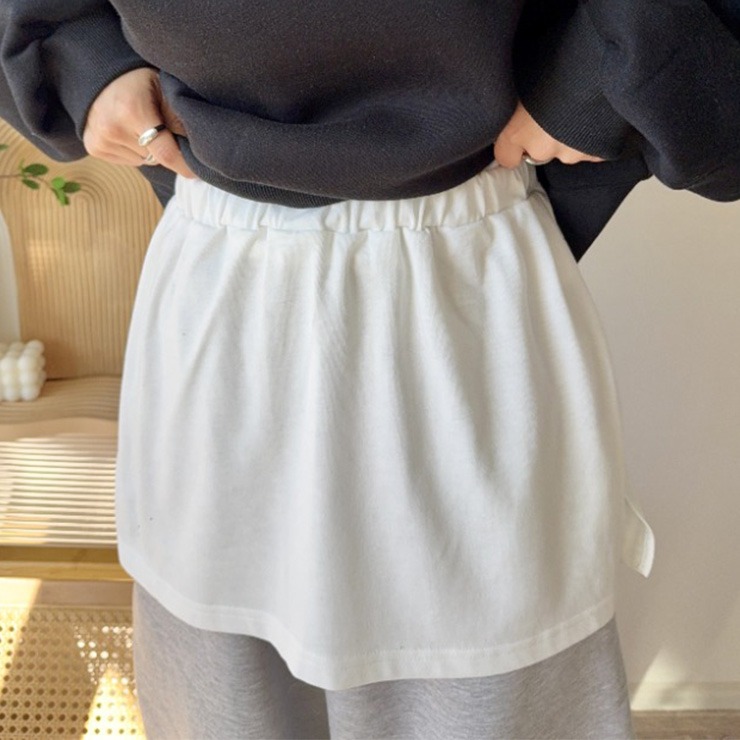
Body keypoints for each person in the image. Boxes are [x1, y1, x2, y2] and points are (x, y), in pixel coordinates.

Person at [1, 2, 738, 737]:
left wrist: (605, 65)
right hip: (225, 271)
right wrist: (85, 61)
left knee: (480, 686)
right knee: (233, 688)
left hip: (457, 268)